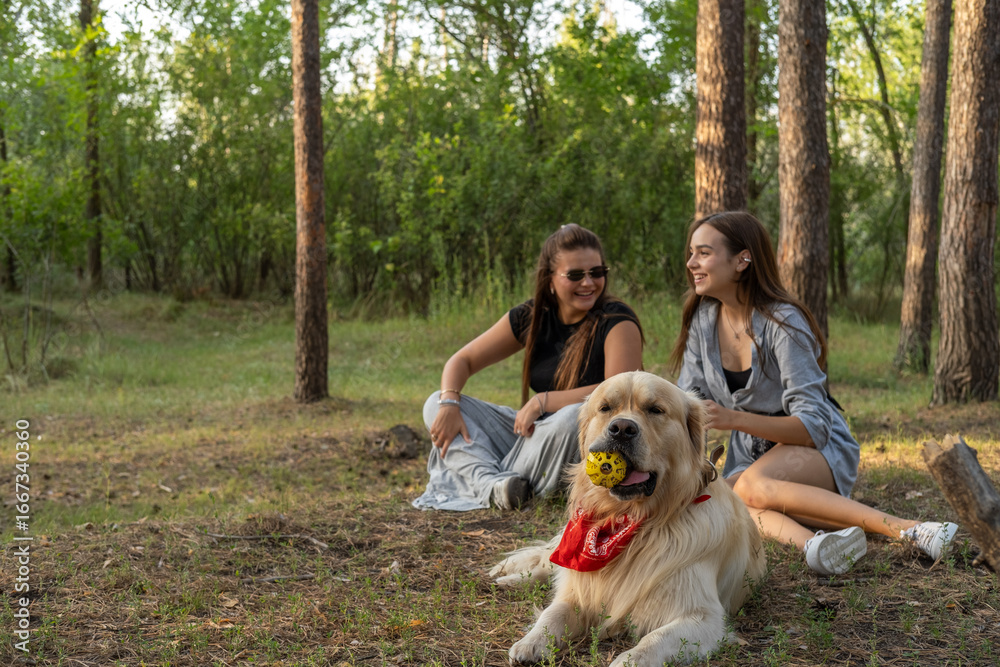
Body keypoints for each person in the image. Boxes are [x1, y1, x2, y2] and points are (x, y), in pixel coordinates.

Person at [669, 211, 958, 575]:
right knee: (722, 499)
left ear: (742, 260)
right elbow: (685, 404)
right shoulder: (703, 322)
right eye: (692, 253)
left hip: (818, 449)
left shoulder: (783, 321)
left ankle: (910, 529)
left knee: (750, 487)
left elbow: (813, 427)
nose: (691, 262)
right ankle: (818, 546)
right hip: (751, 458)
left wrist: (733, 418)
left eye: (704, 253)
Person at [413, 224, 644, 511]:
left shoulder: (617, 321)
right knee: (435, 402)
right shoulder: (533, 316)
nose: (588, 283)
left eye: (597, 273)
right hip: (532, 432)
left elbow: (620, 394)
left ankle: (484, 479)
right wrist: (449, 402)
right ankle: (492, 485)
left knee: (572, 416)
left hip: (574, 440)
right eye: (575, 275)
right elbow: (462, 360)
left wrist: (544, 400)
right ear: (550, 279)